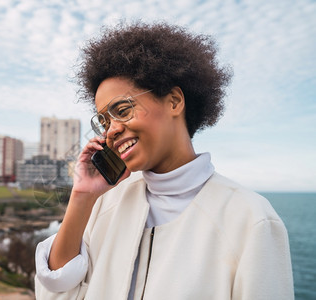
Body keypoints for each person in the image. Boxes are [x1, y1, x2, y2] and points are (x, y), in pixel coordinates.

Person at [34, 22, 294, 300]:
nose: (111, 130)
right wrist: (82, 197)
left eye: (122, 110)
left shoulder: (251, 219)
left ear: (174, 101)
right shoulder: (106, 203)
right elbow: (58, 293)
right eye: (104, 121)